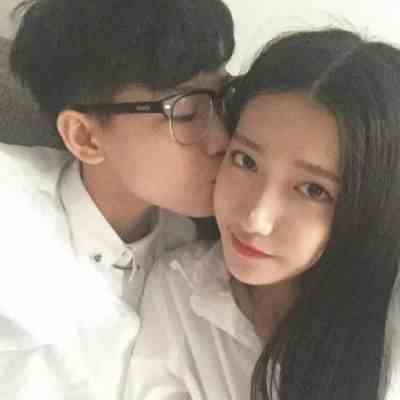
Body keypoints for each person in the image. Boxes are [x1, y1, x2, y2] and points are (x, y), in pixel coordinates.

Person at [127, 28, 400, 400]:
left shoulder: (386, 324)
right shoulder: (180, 289)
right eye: (246, 160)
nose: (255, 219)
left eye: (313, 190)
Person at [0, 0, 234, 398]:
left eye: (223, 98)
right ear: (85, 137)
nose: (222, 139)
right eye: (186, 111)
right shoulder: (11, 209)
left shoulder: (207, 256)